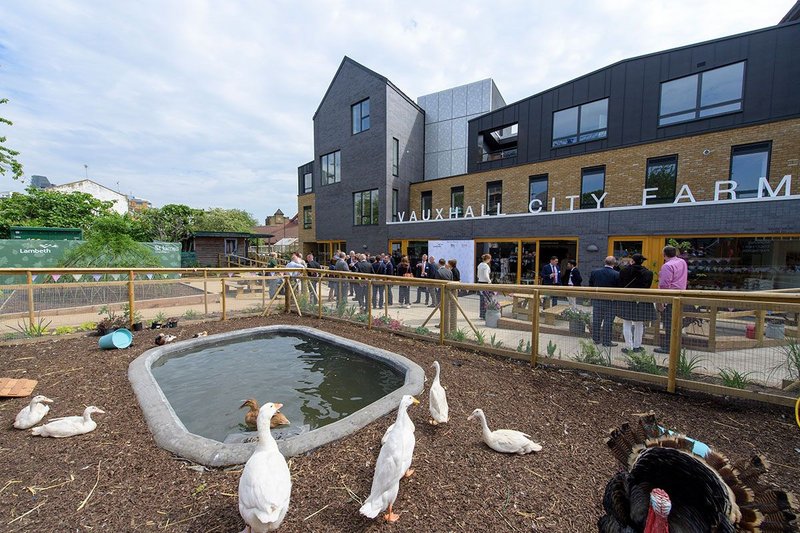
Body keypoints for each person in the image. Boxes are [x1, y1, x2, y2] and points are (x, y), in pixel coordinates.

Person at [617, 253, 657, 354]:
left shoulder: (624, 271)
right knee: (640, 323)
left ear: (632, 261)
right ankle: (637, 346)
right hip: (642, 299)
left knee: (627, 323)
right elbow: (647, 286)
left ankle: (629, 346)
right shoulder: (649, 273)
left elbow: (620, 284)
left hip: (627, 298)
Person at [654, 245, 688, 354]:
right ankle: (676, 344)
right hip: (681, 295)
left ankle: (668, 347)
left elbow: (664, 285)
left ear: (664, 255)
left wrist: (661, 302)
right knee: (677, 322)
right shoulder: (682, 262)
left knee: (668, 323)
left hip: (670, 298)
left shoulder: (667, 266)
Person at [589, 256, 620, 347]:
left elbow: (590, 285)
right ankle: (606, 341)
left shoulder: (595, 272)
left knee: (596, 320)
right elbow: (619, 288)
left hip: (597, 300)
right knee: (608, 322)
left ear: (604, 262)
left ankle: (596, 339)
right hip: (611, 301)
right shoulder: (617, 274)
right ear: (614, 263)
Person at [477, 253, 492, 319]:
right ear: (488, 259)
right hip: (485, 283)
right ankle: (486, 315)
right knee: (487, 300)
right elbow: (486, 276)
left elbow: (478, 275)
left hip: (480, 283)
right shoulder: (486, 266)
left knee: (482, 300)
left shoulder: (480, 265)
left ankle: (482, 314)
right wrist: (489, 282)